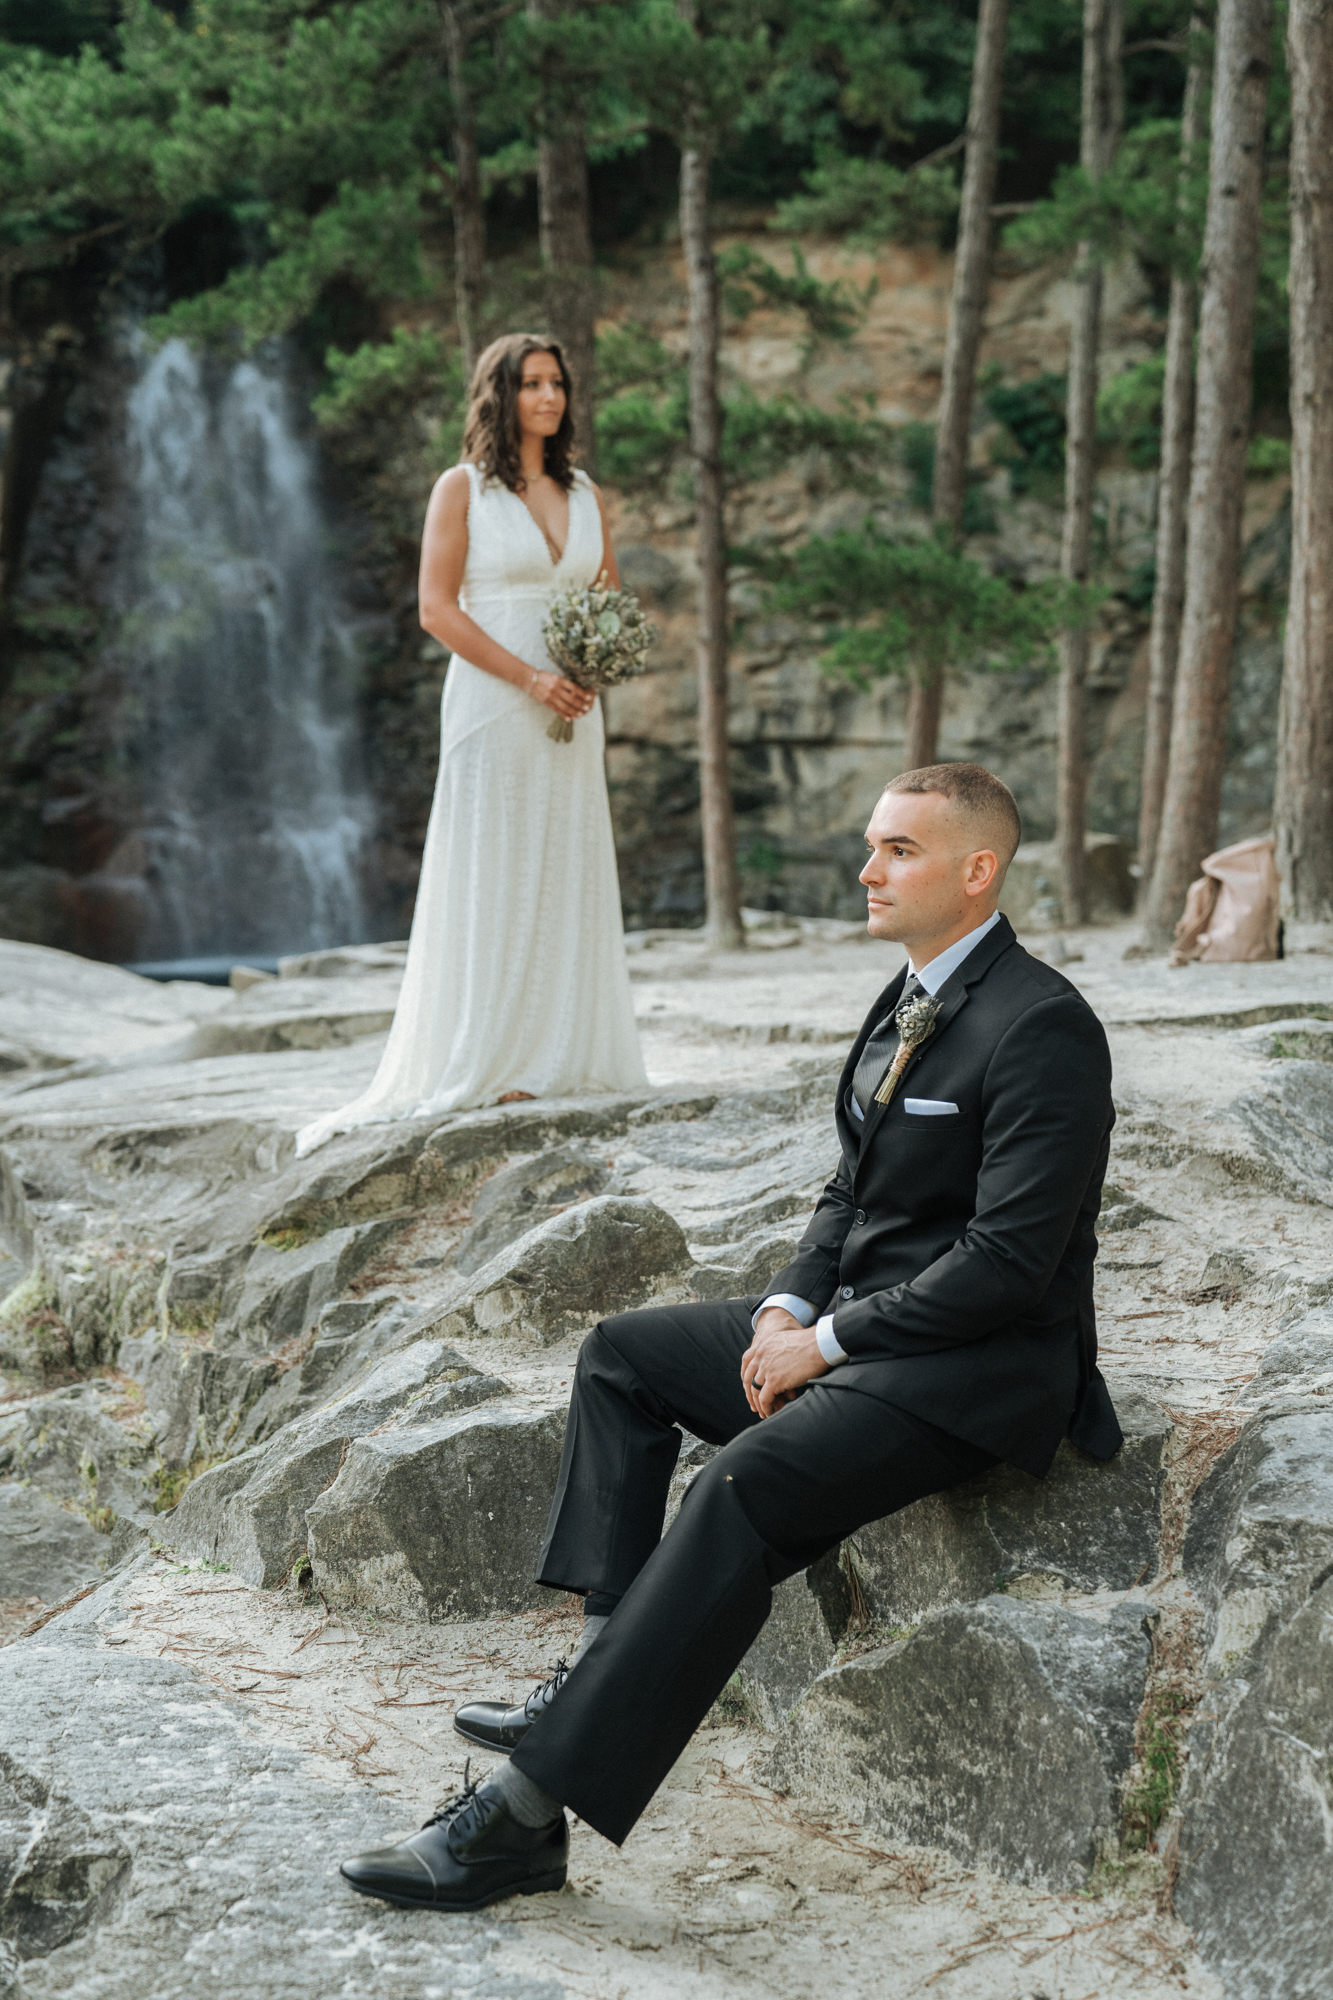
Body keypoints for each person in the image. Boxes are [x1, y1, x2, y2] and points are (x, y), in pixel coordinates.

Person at [339, 761, 1123, 1912]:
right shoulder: (907, 991)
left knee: (739, 1489)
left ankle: (520, 1820)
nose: (866, 867)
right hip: (864, 1337)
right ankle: (596, 1674)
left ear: (976, 868)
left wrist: (834, 1342)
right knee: (621, 1354)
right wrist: (786, 1306)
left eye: (897, 849)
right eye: (871, 843)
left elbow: (1007, 1264)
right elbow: (850, 1189)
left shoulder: (1044, 1022)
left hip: (973, 1371)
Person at [296, 334, 646, 1157]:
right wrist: (530, 679)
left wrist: (593, 660)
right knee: (495, 866)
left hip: (574, 700)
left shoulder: (585, 491)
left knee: (564, 862)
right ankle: (491, 1057)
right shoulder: (463, 490)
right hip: (496, 702)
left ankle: (559, 1053)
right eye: (531, 384)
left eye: (556, 383)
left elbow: (610, 595)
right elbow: (436, 608)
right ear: (500, 395)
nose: (549, 398)